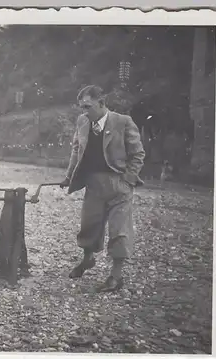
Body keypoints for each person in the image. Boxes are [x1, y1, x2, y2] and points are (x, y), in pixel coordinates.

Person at [59, 85, 145, 292]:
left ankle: (116, 276)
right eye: (82, 107)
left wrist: (127, 180)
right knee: (89, 226)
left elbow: (138, 154)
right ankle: (87, 260)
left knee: (119, 231)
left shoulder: (123, 122)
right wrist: (69, 176)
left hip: (119, 186)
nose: (84, 111)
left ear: (101, 103)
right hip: (93, 184)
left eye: (88, 106)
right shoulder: (82, 122)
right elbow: (76, 150)